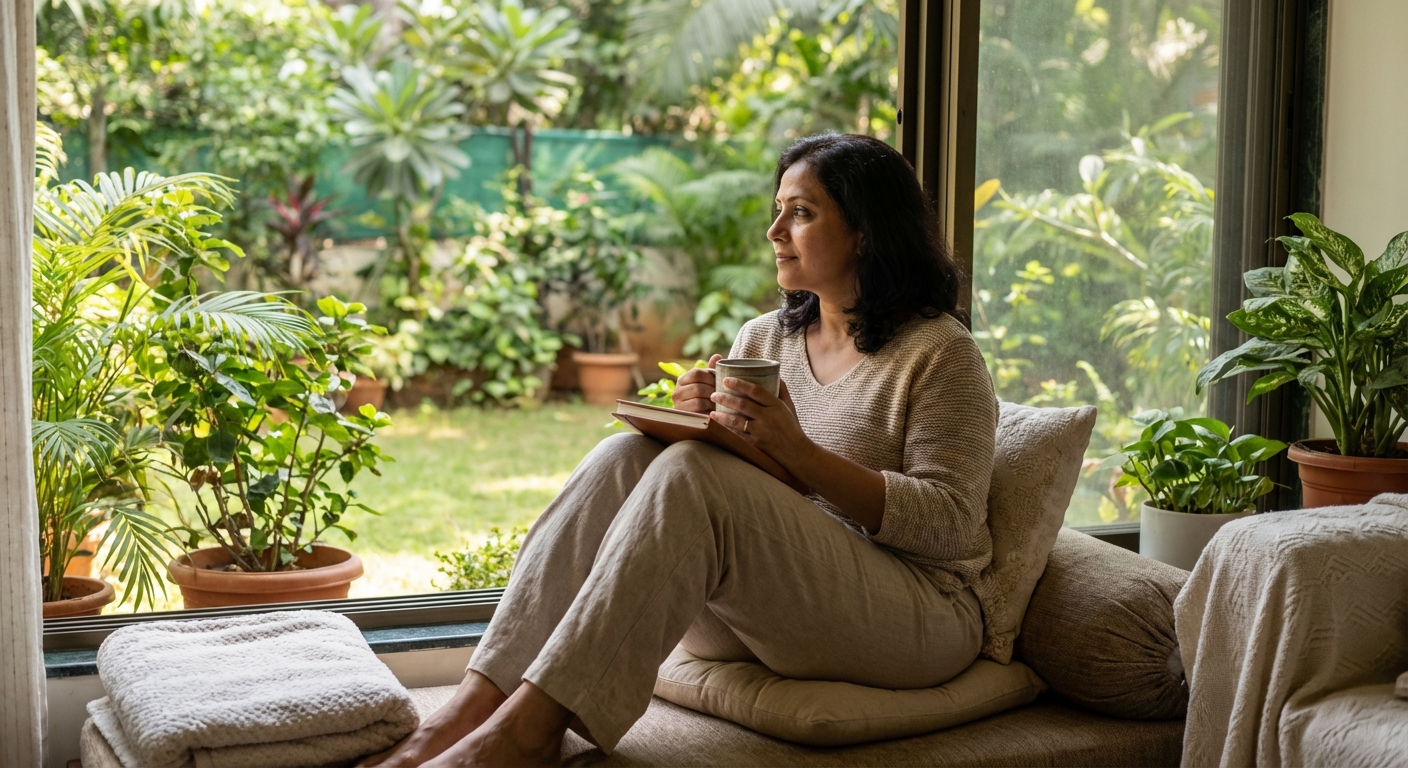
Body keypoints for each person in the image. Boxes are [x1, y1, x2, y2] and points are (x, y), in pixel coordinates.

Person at [361, 133, 999, 768]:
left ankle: (527, 733)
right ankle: (473, 704)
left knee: (695, 473)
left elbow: (950, 523)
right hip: (778, 606)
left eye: (801, 213)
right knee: (623, 457)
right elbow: (755, 487)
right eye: (777, 209)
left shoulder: (941, 352)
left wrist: (797, 452)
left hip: (917, 620)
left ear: (865, 231)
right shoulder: (766, 339)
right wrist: (703, 424)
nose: (775, 231)